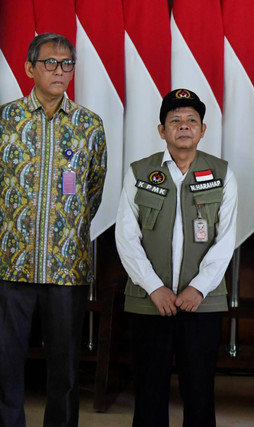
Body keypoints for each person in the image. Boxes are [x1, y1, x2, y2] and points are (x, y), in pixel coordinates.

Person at [0, 33, 107, 427]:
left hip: (66, 266)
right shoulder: (5, 120)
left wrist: (65, 229)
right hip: (10, 264)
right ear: (30, 68)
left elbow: (93, 190)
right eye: (50, 63)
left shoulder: (89, 126)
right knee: (6, 363)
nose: (60, 71)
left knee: (64, 370)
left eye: (67, 64)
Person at [115, 88, 237, 427]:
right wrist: (155, 288)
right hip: (148, 301)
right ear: (161, 130)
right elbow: (126, 236)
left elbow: (226, 240)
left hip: (203, 302)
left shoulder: (222, 173)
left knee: (199, 392)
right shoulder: (140, 172)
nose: (184, 127)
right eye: (175, 120)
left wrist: (198, 289)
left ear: (203, 129)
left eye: (191, 121)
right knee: (149, 390)